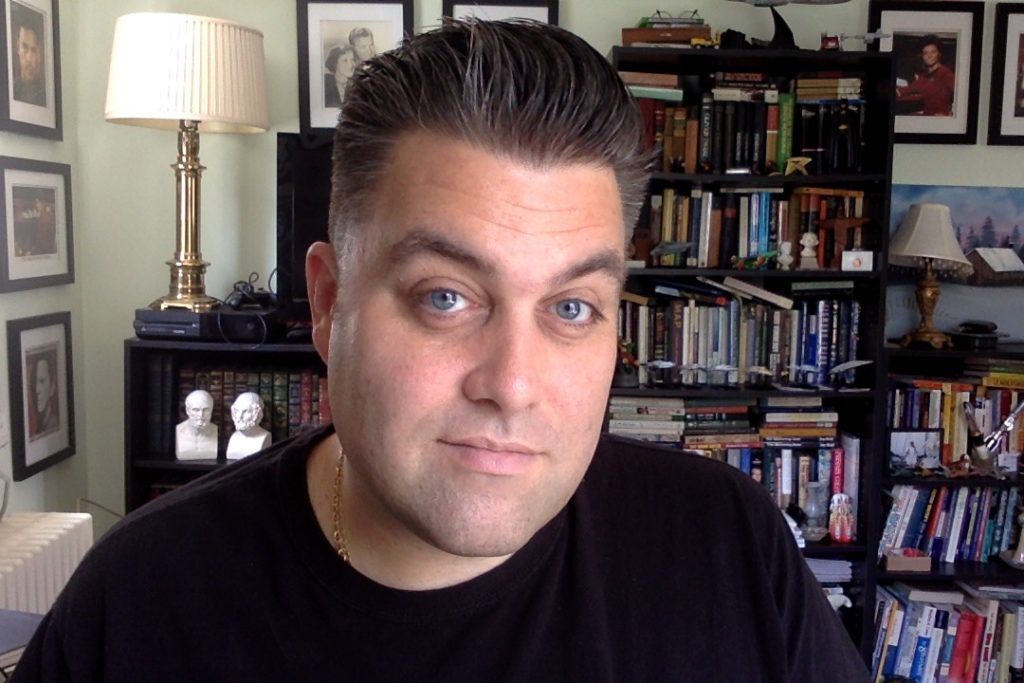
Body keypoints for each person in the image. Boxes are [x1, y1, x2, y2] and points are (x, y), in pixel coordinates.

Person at [11, 20, 869, 681]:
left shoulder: (728, 547)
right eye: (446, 297)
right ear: (329, 301)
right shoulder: (145, 602)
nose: (514, 383)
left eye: (572, 306)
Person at [895, 35, 954, 116]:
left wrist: (951, 114)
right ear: (922, 56)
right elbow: (906, 90)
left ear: (939, 54)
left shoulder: (946, 73)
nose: (929, 56)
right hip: (927, 117)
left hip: (942, 121)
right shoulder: (924, 77)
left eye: (933, 52)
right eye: (926, 53)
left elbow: (962, 95)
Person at [11, 4, 45, 107]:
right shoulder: (10, 91)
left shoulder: (44, 95)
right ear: (18, 48)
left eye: (34, 50)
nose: (29, 58)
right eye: (25, 47)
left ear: (40, 53)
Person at [225, 392, 271, 459]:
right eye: (237, 411)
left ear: (257, 414)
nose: (240, 416)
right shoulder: (234, 438)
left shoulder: (265, 437)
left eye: (245, 411)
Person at [174, 389, 217, 460]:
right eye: (196, 410)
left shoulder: (215, 429)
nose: (201, 415)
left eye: (206, 410)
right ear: (187, 410)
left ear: (211, 410)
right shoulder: (179, 429)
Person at [29, 354, 58, 439]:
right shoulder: (38, 425)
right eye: (34, 382)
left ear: (52, 387)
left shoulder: (53, 423)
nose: (37, 390)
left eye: (42, 381)